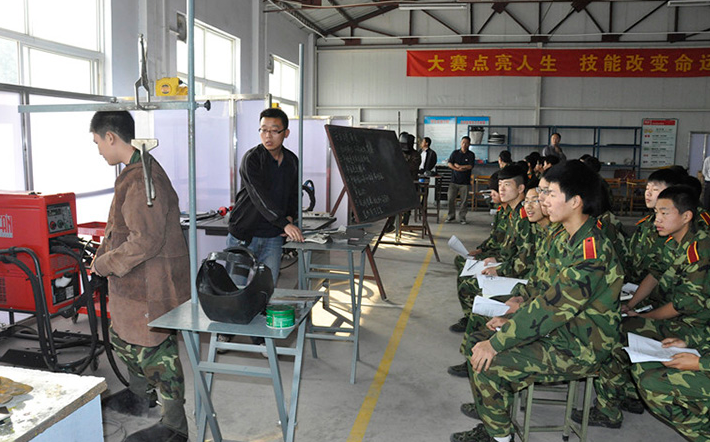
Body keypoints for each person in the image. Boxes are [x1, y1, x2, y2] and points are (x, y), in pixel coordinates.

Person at [451, 160, 623, 442]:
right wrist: (511, 318)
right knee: (477, 341)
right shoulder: (567, 236)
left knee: (489, 360)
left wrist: (499, 340)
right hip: (561, 330)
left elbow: (552, 308)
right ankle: (495, 420)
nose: (543, 201)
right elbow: (543, 290)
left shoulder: (591, 250)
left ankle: (500, 437)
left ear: (575, 201)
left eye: (550, 194)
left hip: (581, 344)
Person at [89, 111, 190, 442]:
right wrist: (104, 253)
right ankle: (139, 396)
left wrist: (105, 264)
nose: (99, 151)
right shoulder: (135, 172)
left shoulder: (143, 179)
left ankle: (175, 427)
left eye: (98, 143)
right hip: (136, 283)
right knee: (122, 337)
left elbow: (144, 240)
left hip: (150, 285)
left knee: (157, 354)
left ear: (112, 138)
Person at [584, 185, 710, 429]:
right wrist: (630, 305)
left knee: (617, 333)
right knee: (616, 324)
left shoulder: (699, 251)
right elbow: (654, 275)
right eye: (656, 214)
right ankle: (626, 395)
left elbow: (681, 305)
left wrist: (645, 316)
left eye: (664, 214)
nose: (657, 220)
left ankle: (610, 407)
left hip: (695, 326)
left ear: (686, 217)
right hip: (681, 319)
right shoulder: (675, 242)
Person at [227, 107, 304, 287]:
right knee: (236, 291)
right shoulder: (252, 159)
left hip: (273, 237)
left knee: (266, 289)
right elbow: (259, 197)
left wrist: (291, 216)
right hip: (244, 235)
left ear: (286, 133)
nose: (268, 136)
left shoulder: (292, 161)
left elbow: (293, 194)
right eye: (263, 130)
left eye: (274, 130)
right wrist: (284, 223)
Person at [445, 136, 476, 224]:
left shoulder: (471, 155)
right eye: (463, 142)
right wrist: (456, 168)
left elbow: (470, 166)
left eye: (466, 143)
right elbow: (450, 163)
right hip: (454, 181)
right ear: (460, 143)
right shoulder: (455, 153)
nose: (464, 144)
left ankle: (462, 218)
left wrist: (460, 166)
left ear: (469, 144)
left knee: (464, 201)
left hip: (465, 182)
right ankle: (451, 216)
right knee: (450, 199)